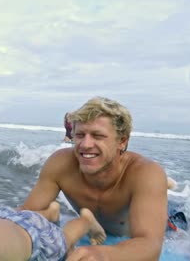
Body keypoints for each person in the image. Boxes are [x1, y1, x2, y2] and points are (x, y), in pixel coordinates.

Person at [20, 96, 171, 260]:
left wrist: (104, 255)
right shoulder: (61, 163)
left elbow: (150, 247)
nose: (85, 144)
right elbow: (26, 215)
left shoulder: (146, 173)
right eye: (80, 135)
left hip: (169, 224)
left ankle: (163, 187)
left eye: (97, 136)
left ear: (122, 141)